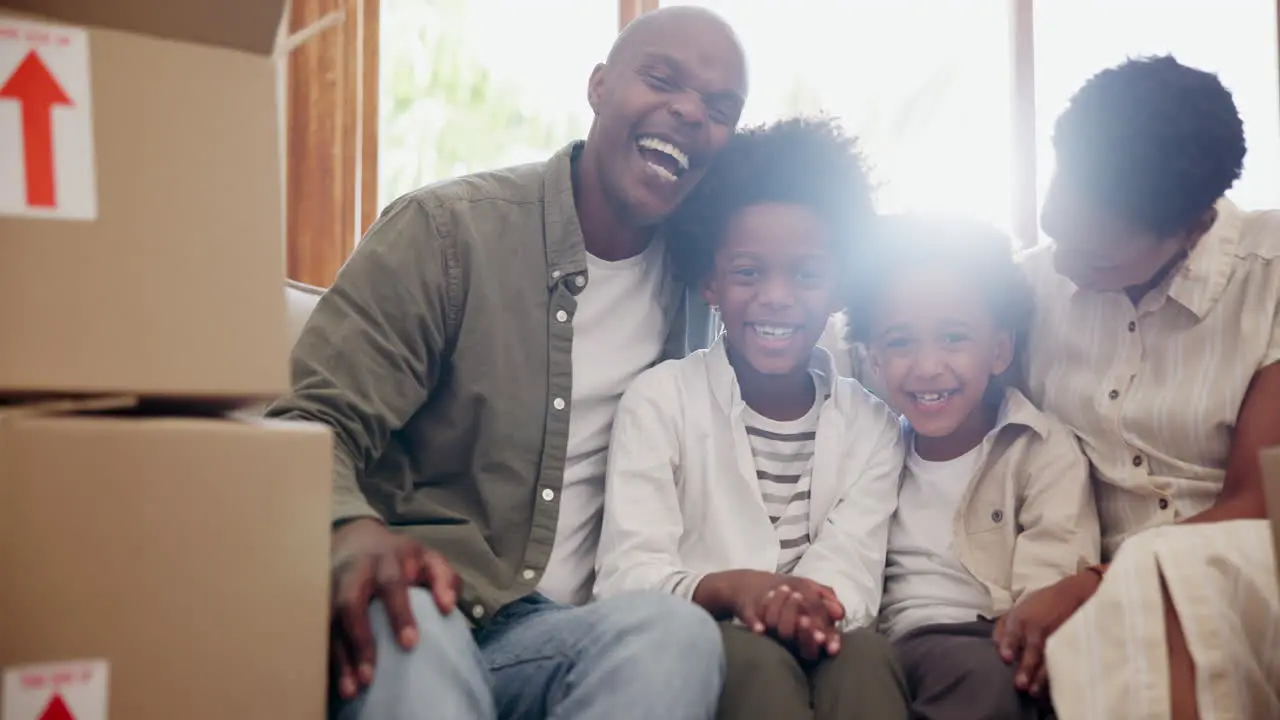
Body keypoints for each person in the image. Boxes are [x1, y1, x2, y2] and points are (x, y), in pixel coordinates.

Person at [266, 7, 749, 720]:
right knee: (410, 627)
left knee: (673, 633)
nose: (688, 112)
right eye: (661, 79)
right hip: (424, 594)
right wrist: (350, 530)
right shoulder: (447, 233)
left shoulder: (705, 291)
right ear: (599, 86)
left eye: (720, 108)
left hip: (562, 633)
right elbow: (309, 421)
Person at [594, 117, 909, 720]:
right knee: (756, 663)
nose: (776, 296)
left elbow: (853, 567)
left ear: (840, 284)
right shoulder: (660, 401)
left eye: (807, 274)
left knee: (868, 659)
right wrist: (734, 589)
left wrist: (796, 607)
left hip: (827, 630)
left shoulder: (873, 427)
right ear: (710, 281)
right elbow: (628, 574)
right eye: (747, 272)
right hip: (705, 633)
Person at [997, 55, 1280, 719]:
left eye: (1095, 256)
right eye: (1057, 231)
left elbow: (1258, 503)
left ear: (1192, 227)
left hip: (1239, 568)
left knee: (1157, 590)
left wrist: (1095, 585)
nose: (1065, 265)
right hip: (1084, 576)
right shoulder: (1032, 287)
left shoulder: (1269, 276)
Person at [846, 216, 1100, 720]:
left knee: (996, 678)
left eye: (953, 338)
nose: (927, 366)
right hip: (884, 646)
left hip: (989, 638)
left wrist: (1028, 642)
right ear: (873, 358)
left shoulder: (1039, 450)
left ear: (999, 350)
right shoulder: (867, 452)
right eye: (900, 343)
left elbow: (1051, 573)